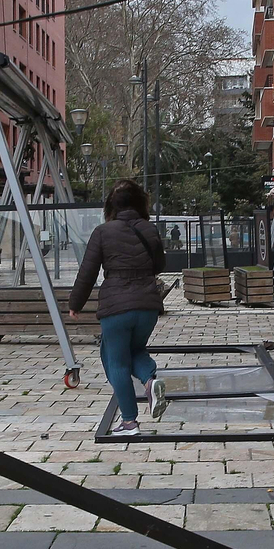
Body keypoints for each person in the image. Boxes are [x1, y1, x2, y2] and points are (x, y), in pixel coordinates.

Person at [68, 180, 168, 436]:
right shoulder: (150, 230)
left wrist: (75, 304)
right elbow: (159, 266)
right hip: (147, 306)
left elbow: (87, 272)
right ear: (140, 203)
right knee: (135, 350)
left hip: (116, 307)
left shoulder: (102, 232)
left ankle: (129, 422)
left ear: (111, 206)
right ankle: (150, 381)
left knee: (117, 362)